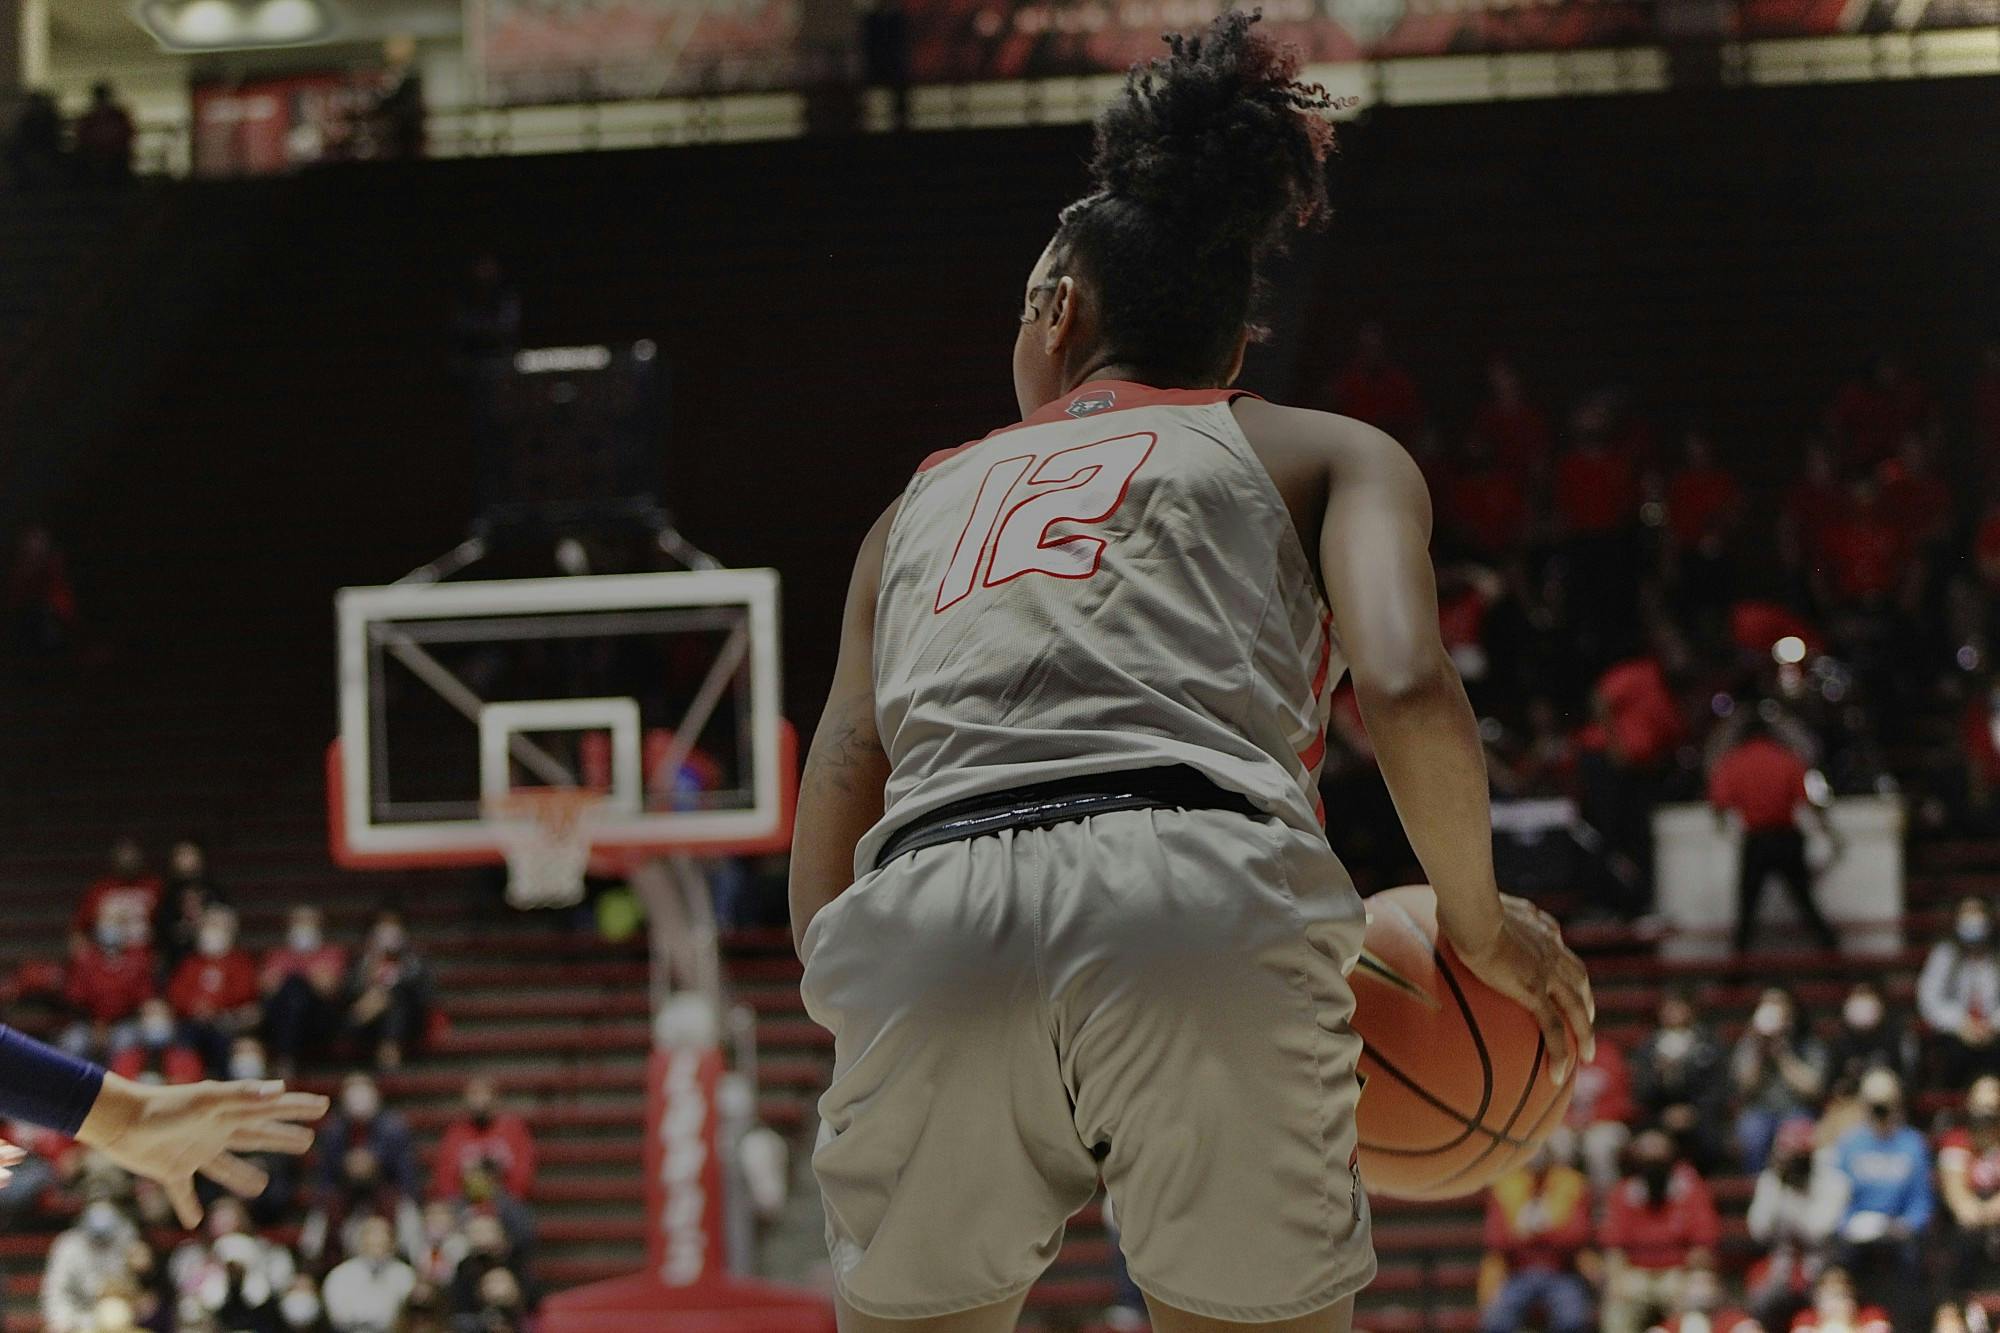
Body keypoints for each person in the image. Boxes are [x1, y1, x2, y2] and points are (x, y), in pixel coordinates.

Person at [786, 14, 1595, 1331]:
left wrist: (867, 993)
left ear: (1060, 309)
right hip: (1200, 883)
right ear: (1233, 350)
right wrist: (1479, 925)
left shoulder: (915, 507)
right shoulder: (1322, 449)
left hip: (927, 905)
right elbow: (1402, 686)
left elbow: (838, 767)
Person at [1708, 716, 1841, 955]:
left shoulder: (1733, 762)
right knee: (1806, 904)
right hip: (1787, 838)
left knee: (1746, 912)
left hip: (1757, 841)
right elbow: (1809, 800)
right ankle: (1834, 959)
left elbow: (1719, 803)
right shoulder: (1787, 759)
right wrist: (1830, 835)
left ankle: (1735, 974)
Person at [1829, 1068, 1931, 1328]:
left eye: (1885, 1106)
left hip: (1898, 1233)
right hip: (1855, 1237)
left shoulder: (1913, 1144)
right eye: (1875, 1106)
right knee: (1836, 1263)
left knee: (1910, 1266)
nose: (1880, 1113)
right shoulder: (1849, 1144)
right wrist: (1848, 1225)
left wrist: (1906, 1225)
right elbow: (1837, 1198)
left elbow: (1922, 1202)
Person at [1599, 1130, 1722, 1333]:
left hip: (1678, 1272)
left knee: (1694, 1304)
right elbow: (1614, 1249)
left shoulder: (1691, 1190)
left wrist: (1690, 1278)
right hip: (1635, 1274)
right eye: (1647, 1162)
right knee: (1617, 1306)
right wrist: (1617, 1280)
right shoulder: (1623, 1193)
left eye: (1659, 1161)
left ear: (1672, 1161)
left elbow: (1702, 1246)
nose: (1653, 1169)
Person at [1744, 1118, 1845, 1332]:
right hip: (1782, 1265)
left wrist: (1793, 1198)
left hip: (1822, 1266)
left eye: (1799, 1156)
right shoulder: (1772, 1181)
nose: (1793, 1162)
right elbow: (1759, 1230)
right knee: (1762, 1303)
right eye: (1789, 1156)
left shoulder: (1833, 1182)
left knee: (1831, 1306)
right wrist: (1780, 1189)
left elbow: (1818, 1232)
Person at [1480, 1146, 1594, 1333]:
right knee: (1496, 1322)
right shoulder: (1506, 1185)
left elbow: (1577, 1236)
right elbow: (1496, 1240)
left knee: (1572, 1320)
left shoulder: (1572, 1182)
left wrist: (1534, 1232)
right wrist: (1550, 1231)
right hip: (1516, 1273)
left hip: (1561, 1272)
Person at [1731, 988, 1828, 1172]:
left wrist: (1782, 1054)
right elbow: (1744, 1087)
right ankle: (1757, 1190)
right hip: (1758, 1110)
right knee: (1752, 1134)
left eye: (1779, 1004)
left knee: (1796, 1135)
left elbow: (1813, 1088)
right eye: (1767, 1004)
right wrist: (1761, 1053)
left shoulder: (1807, 1044)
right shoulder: (1749, 1044)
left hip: (1796, 1110)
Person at [1634, 991, 1731, 1170]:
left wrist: (1692, 1112)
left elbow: (1719, 1088)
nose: (1672, 1012)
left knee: (1709, 1141)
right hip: (1659, 1116)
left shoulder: (1710, 1043)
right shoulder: (1649, 1047)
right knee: (1650, 1144)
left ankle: (1701, 1189)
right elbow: (1642, 1093)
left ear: (1691, 1010)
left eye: (1678, 1007)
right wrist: (1660, 1077)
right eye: (1668, 1007)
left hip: (1701, 1117)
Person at [166, 907, 261, 1074]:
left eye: (217, 927)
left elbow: (245, 991)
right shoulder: (191, 963)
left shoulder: (240, 962)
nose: (212, 932)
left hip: (226, 1021)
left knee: (224, 1041)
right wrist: (195, 1007)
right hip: (192, 1021)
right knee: (183, 1043)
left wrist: (214, 1008)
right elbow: (176, 993)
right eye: (208, 927)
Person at [260, 906, 350, 1076]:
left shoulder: (332, 953)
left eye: (308, 922)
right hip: (283, 1017)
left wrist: (298, 968)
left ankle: (286, 1057)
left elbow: (327, 988)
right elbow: (268, 988)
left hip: (318, 1019)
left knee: (297, 987)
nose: (303, 926)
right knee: (293, 990)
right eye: (298, 922)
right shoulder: (277, 954)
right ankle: (286, 1056)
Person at [1920, 897, 2000, 1086]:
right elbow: (1929, 999)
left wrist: (1993, 1025)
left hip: (1995, 1034)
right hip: (1955, 1036)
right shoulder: (1944, 955)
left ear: (1988, 918)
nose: (1972, 919)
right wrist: (1961, 1024)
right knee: (1951, 1055)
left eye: (1977, 912)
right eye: (1967, 913)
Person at [345, 908, 431, 1070]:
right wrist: (371, 970)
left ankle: (389, 1048)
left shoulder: (414, 958)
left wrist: (384, 995)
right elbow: (348, 992)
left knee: (395, 996)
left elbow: (424, 994)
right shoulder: (361, 959)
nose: (387, 931)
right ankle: (388, 1050)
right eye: (382, 925)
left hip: (408, 1021)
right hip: (367, 1022)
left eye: (393, 925)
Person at [1937, 1074, 2000, 1294]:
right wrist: (1978, 1212)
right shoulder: (1956, 1140)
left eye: (1992, 1108)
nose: (1985, 1114)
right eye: (1980, 1107)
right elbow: (1956, 1196)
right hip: (1967, 1225)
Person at [42, 1197, 140, 1333]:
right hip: (75, 1315)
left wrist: (136, 1274)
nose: (100, 1243)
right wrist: (61, 1320)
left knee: (115, 1312)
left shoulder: (127, 1239)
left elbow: (133, 1290)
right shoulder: (67, 1246)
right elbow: (55, 1291)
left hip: (111, 1312)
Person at [431, 1077, 535, 1204]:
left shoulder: (514, 1129)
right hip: (464, 1202)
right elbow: (445, 1178)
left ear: (495, 1098)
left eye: (484, 1094)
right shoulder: (455, 1132)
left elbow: (523, 1173)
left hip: (504, 1201)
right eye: (474, 1094)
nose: (479, 1100)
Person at [317, 1074, 419, 1200]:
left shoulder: (395, 1129)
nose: (359, 1101)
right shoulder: (332, 1131)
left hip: (387, 1193)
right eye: (353, 1097)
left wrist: (375, 1160)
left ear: (376, 1097)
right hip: (343, 1196)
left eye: (363, 1096)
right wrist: (346, 1164)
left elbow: (406, 1175)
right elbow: (325, 1177)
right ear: (343, 1099)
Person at [322, 1216, 416, 1333]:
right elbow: (338, 1316)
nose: (377, 1246)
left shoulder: (405, 1275)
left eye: (383, 1243)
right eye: (372, 1242)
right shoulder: (340, 1275)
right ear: (361, 1242)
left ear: (392, 1243)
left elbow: (406, 1315)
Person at [1823, 981, 1916, 1088]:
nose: (1862, 1005)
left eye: (1867, 995)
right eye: (1858, 995)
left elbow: (1908, 1078)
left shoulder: (1897, 1035)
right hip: (1850, 1099)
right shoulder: (1838, 1038)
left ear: (1880, 1003)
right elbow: (1832, 1081)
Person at [75, 839, 163, 938]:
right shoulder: (100, 889)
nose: (128, 860)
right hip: (107, 949)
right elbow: (80, 928)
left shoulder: (155, 887)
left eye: (132, 857)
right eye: (124, 856)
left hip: (146, 948)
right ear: (114, 859)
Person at [1789, 1267, 1888, 1333]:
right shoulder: (1806, 1319)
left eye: (1841, 1296)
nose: (1835, 1305)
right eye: (1828, 1297)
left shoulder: (1871, 1316)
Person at [73, 82, 135, 184]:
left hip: (113, 159)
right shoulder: (90, 118)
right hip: (97, 160)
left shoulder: (117, 116)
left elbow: (128, 134)